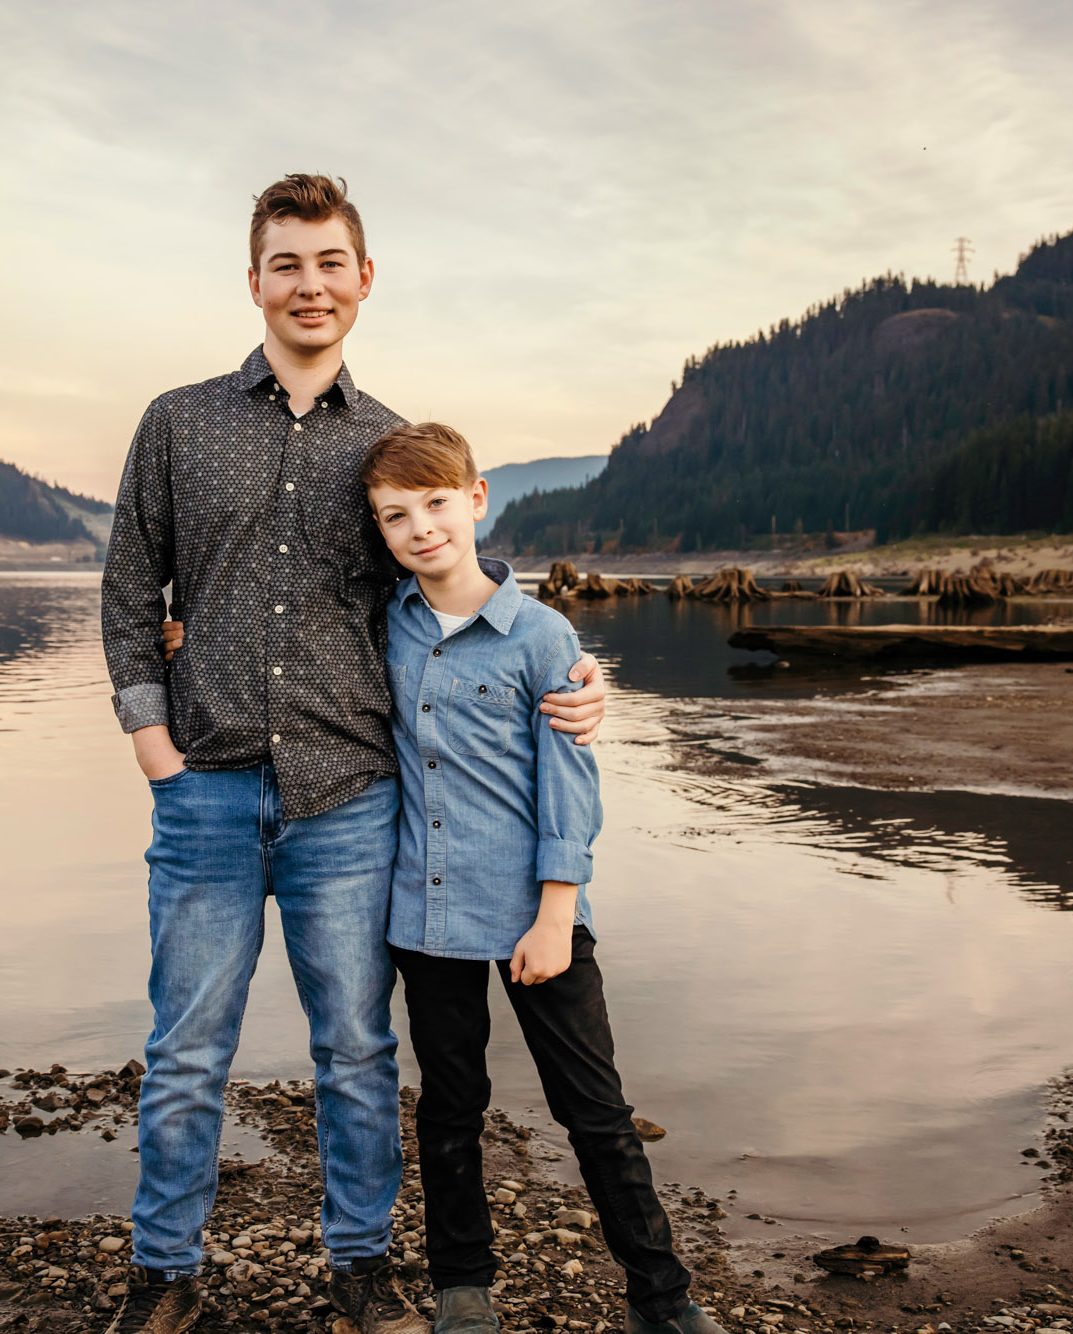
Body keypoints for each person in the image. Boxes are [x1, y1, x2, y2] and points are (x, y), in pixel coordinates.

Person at [98, 174, 609, 1334]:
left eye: (329, 263)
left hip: (347, 797)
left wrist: (575, 673)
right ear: (253, 282)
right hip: (206, 789)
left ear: (362, 279)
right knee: (185, 1048)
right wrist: (151, 742)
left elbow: (453, 596)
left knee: (356, 1049)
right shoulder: (177, 423)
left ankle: (361, 1266)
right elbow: (131, 587)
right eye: (286, 264)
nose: (309, 285)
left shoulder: (385, 448)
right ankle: (162, 1272)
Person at [360, 422, 729, 1334]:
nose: (420, 530)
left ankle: (662, 1296)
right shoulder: (384, 625)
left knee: (596, 1111)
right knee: (451, 1110)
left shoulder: (541, 635)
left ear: (477, 499)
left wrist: (557, 913)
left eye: (437, 505)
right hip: (426, 917)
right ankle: (464, 1288)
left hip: (536, 912)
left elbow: (571, 785)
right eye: (395, 516)